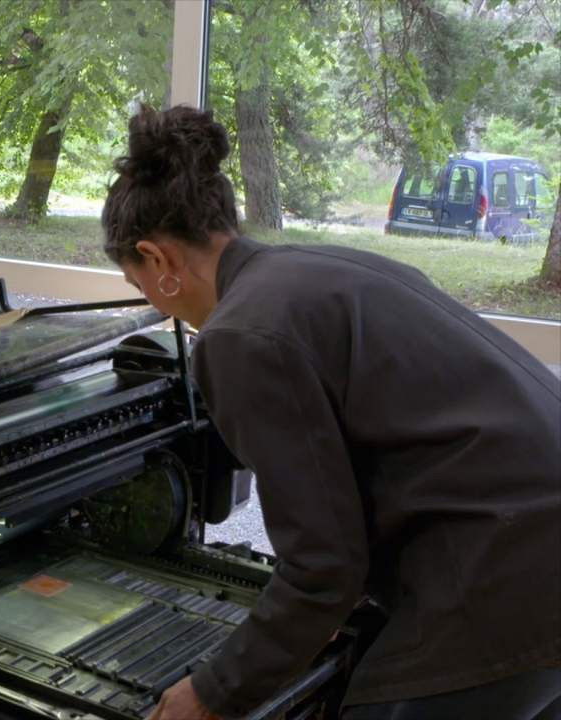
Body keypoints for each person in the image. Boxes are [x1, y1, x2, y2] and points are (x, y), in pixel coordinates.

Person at [99, 106, 561, 720]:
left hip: (507, 574)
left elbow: (324, 568)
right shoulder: (318, 270)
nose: (157, 308)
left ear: (157, 261)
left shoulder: (240, 335)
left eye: (138, 285)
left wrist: (211, 692)